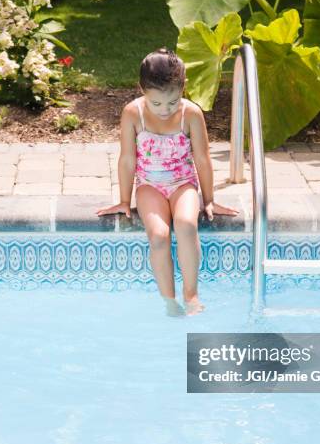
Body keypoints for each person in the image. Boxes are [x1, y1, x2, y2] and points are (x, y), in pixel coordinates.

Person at [96, 48, 238, 316]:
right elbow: (128, 160)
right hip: (149, 186)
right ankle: (169, 300)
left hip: (183, 184)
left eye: (172, 102)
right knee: (159, 236)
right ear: (142, 90)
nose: (164, 110)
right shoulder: (132, 113)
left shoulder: (191, 114)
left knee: (185, 224)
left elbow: (203, 159)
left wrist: (209, 200)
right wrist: (125, 200)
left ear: (182, 88)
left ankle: (191, 294)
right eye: (157, 103)